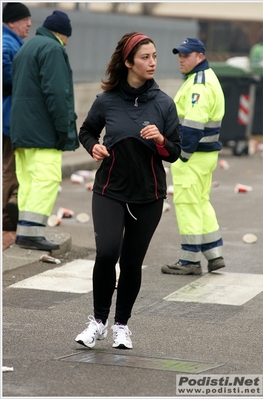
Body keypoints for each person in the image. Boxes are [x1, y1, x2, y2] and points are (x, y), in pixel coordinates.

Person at [76, 32, 181, 349]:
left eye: (155, 56)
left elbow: (175, 151)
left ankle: (121, 325)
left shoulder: (163, 103)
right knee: (107, 252)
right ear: (128, 62)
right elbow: (87, 130)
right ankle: (98, 322)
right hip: (109, 189)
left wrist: (161, 141)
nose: (152, 62)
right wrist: (94, 146)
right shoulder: (106, 100)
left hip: (148, 195)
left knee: (132, 262)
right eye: (145, 57)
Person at [10, 10, 79, 251]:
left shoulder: (26, 48)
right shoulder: (53, 49)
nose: (67, 43)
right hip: (42, 132)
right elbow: (57, 94)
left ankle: (25, 231)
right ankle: (31, 233)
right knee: (47, 179)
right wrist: (64, 130)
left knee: (28, 181)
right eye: (67, 38)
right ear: (61, 33)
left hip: (21, 131)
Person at [161, 38, 226, 276]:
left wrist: (180, 154)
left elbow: (193, 125)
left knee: (187, 204)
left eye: (186, 55)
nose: (181, 59)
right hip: (205, 155)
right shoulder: (206, 78)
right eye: (179, 55)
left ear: (199, 56)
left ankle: (189, 260)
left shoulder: (198, 85)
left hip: (193, 156)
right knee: (201, 202)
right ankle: (214, 255)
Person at [2, 2, 31, 231]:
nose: (29, 24)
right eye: (25, 20)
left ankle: (11, 207)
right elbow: (5, 70)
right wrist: (24, 76)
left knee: (13, 167)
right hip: (10, 117)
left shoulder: (13, 41)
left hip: (12, 116)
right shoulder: (6, 41)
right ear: (11, 21)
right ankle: (5, 217)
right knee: (10, 168)